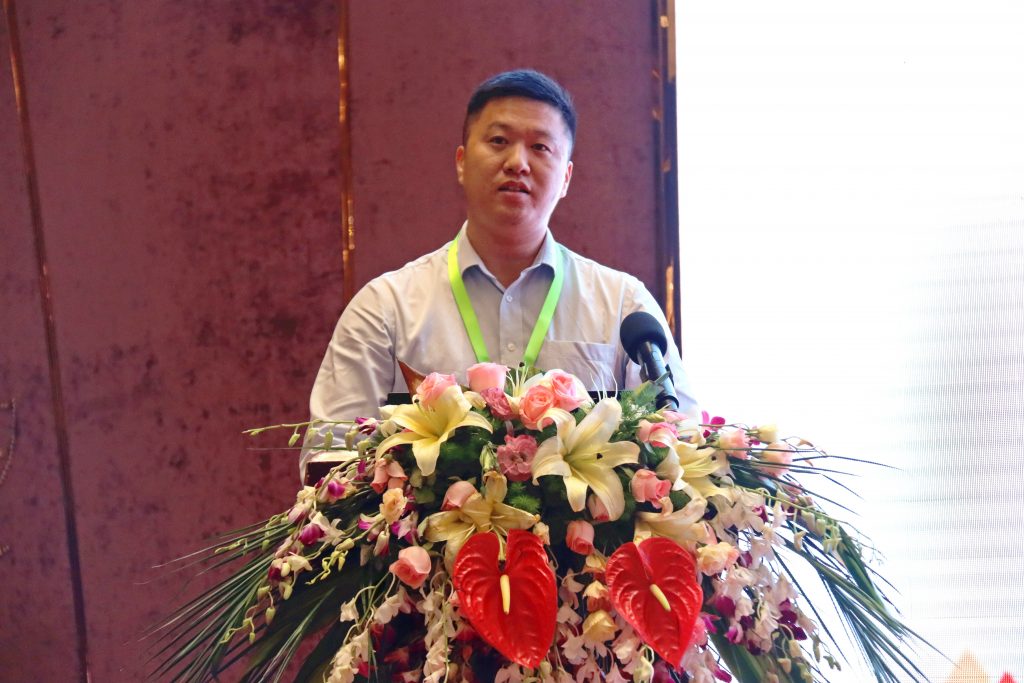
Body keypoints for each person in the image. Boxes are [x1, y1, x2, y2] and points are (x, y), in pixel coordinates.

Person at [304, 69, 697, 476]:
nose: (517, 163)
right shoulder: (386, 309)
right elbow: (330, 462)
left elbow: (685, 449)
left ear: (566, 178)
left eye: (540, 147)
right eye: (498, 141)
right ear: (461, 162)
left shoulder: (623, 306)